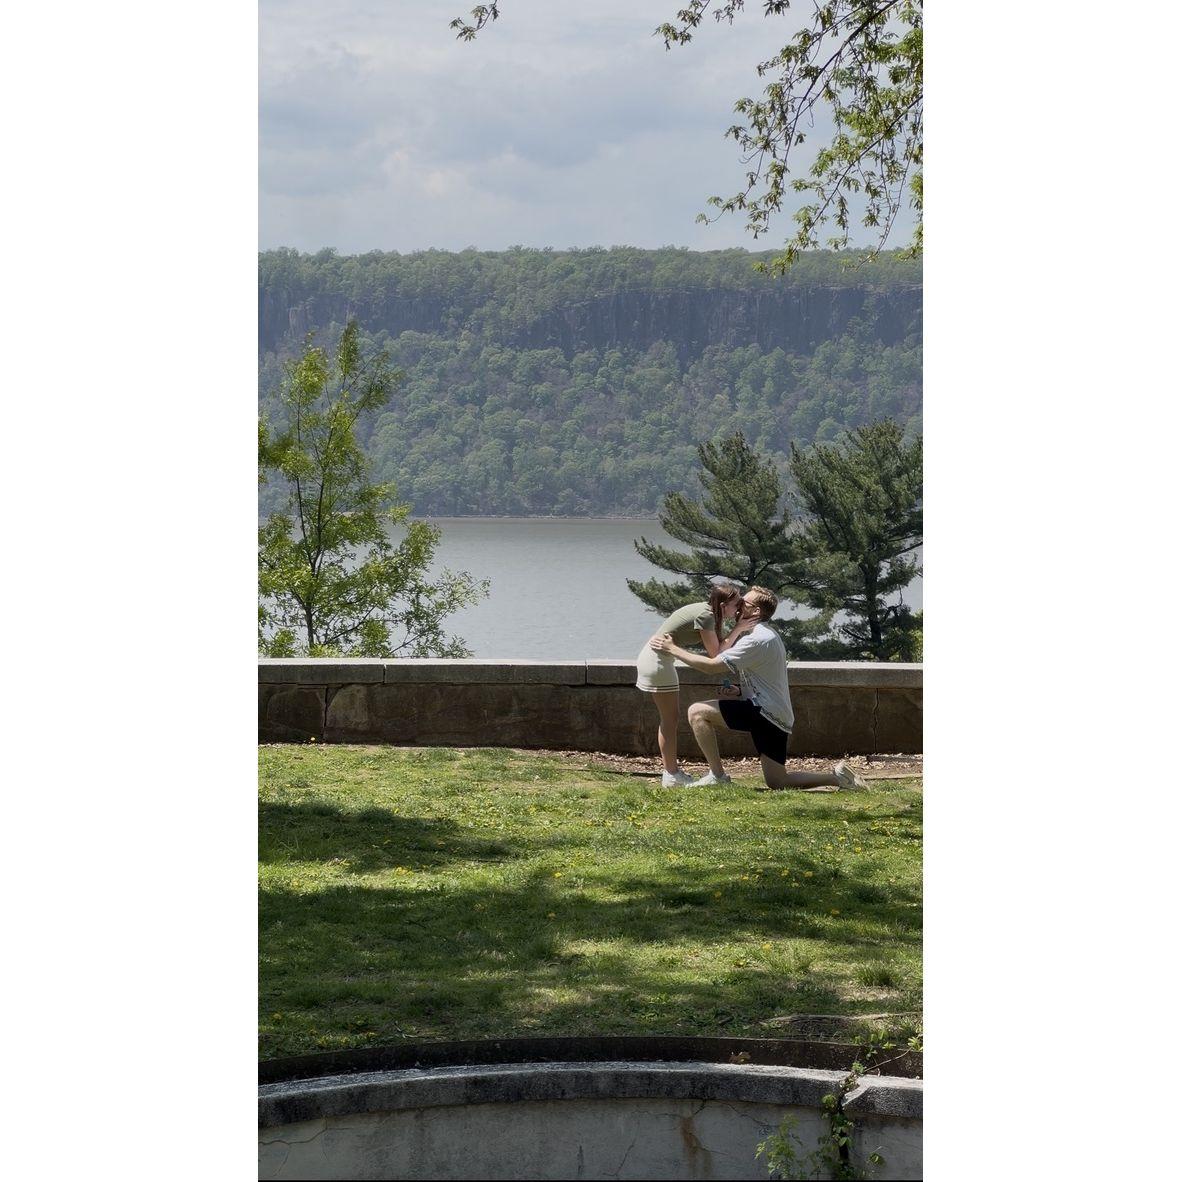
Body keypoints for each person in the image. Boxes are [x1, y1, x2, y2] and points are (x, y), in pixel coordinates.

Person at [649, 586, 870, 792]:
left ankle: (717, 776)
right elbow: (765, 677)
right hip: (778, 716)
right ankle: (838, 777)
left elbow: (712, 667)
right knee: (777, 781)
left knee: (697, 712)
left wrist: (672, 648)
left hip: (763, 712)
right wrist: (738, 691)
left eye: (743, 601)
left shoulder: (757, 639)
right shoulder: (766, 635)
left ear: (754, 611)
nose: (737, 604)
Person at [636, 581, 751, 787]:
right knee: (669, 720)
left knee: (669, 719)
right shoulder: (706, 616)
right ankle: (671, 774)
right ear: (723, 605)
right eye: (736, 604)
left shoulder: (708, 612)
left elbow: (718, 646)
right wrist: (739, 629)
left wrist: (736, 628)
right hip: (658, 661)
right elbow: (716, 654)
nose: (739, 608)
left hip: (658, 659)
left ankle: (671, 773)